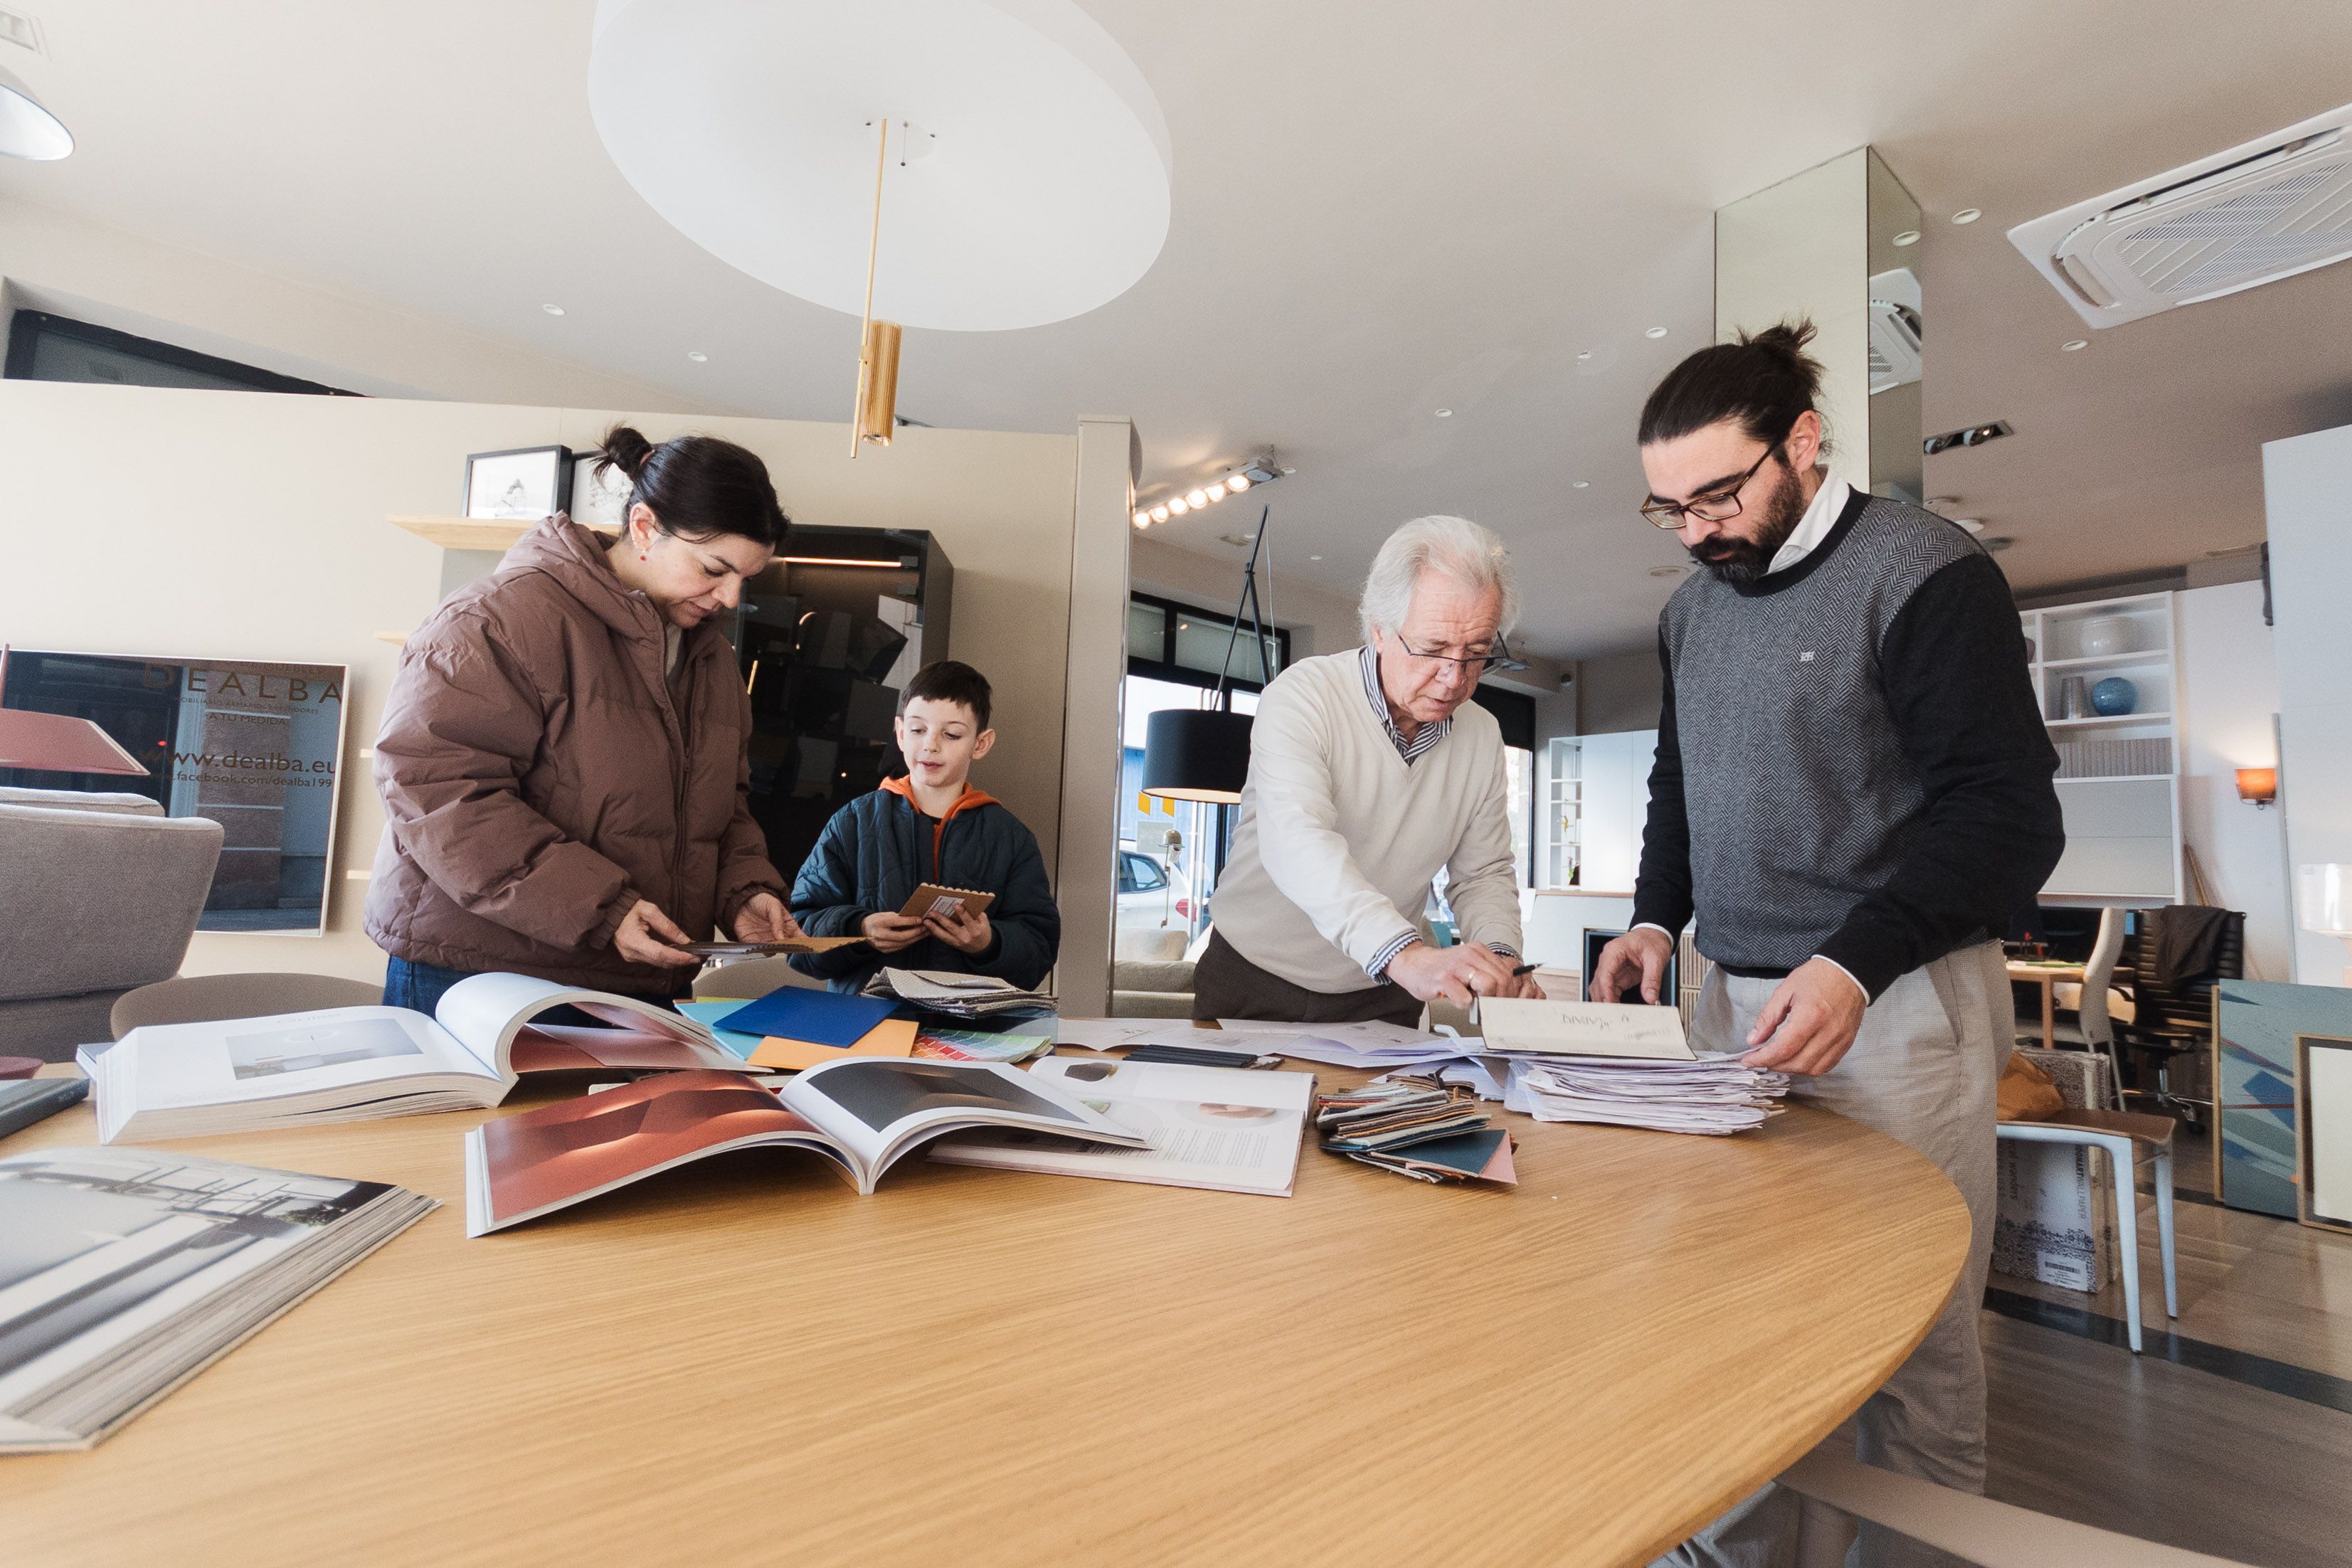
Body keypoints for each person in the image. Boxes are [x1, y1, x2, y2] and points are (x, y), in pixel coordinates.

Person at [1588, 322, 2063, 1568]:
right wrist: (1652, 915)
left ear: (1802, 441)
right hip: (1723, 1005)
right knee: (1733, 1308)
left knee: (1911, 1336)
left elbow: (2008, 819)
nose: (1694, 528)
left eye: (1717, 493)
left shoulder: (1925, 572)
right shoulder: (1695, 611)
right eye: (1667, 505)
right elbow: (1679, 785)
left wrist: (1856, 957)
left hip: (1894, 999)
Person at [366, 425, 802, 1012]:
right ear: (645, 527)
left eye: (745, 579)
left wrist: (743, 890)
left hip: (637, 982)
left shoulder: (711, 660)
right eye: (713, 569)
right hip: (482, 979)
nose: (729, 598)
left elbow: (725, 804)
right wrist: (603, 908)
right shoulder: (497, 619)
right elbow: (437, 790)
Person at [1197, 515, 1544, 1027]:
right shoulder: (1302, 697)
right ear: (1379, 630)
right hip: (1255, 975)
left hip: (1382, 992)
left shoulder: (1482, 734)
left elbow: (1483, 873)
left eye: (1476, 654)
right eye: (1432, 650)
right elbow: (1299, 842)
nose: (1454, 678)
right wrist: (1404, 954)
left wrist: (1499, 958)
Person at [788, 659, 1059, 994]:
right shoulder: (853, 821)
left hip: (967, 1033)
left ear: (981, 743)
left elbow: (1040, 950)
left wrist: (988, 943)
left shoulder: (1011, 838)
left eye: (952, 733)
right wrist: (860, 929)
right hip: (866, 1028)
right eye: (918, 730)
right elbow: (796, 938)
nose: (931, 744)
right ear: (900, 733)